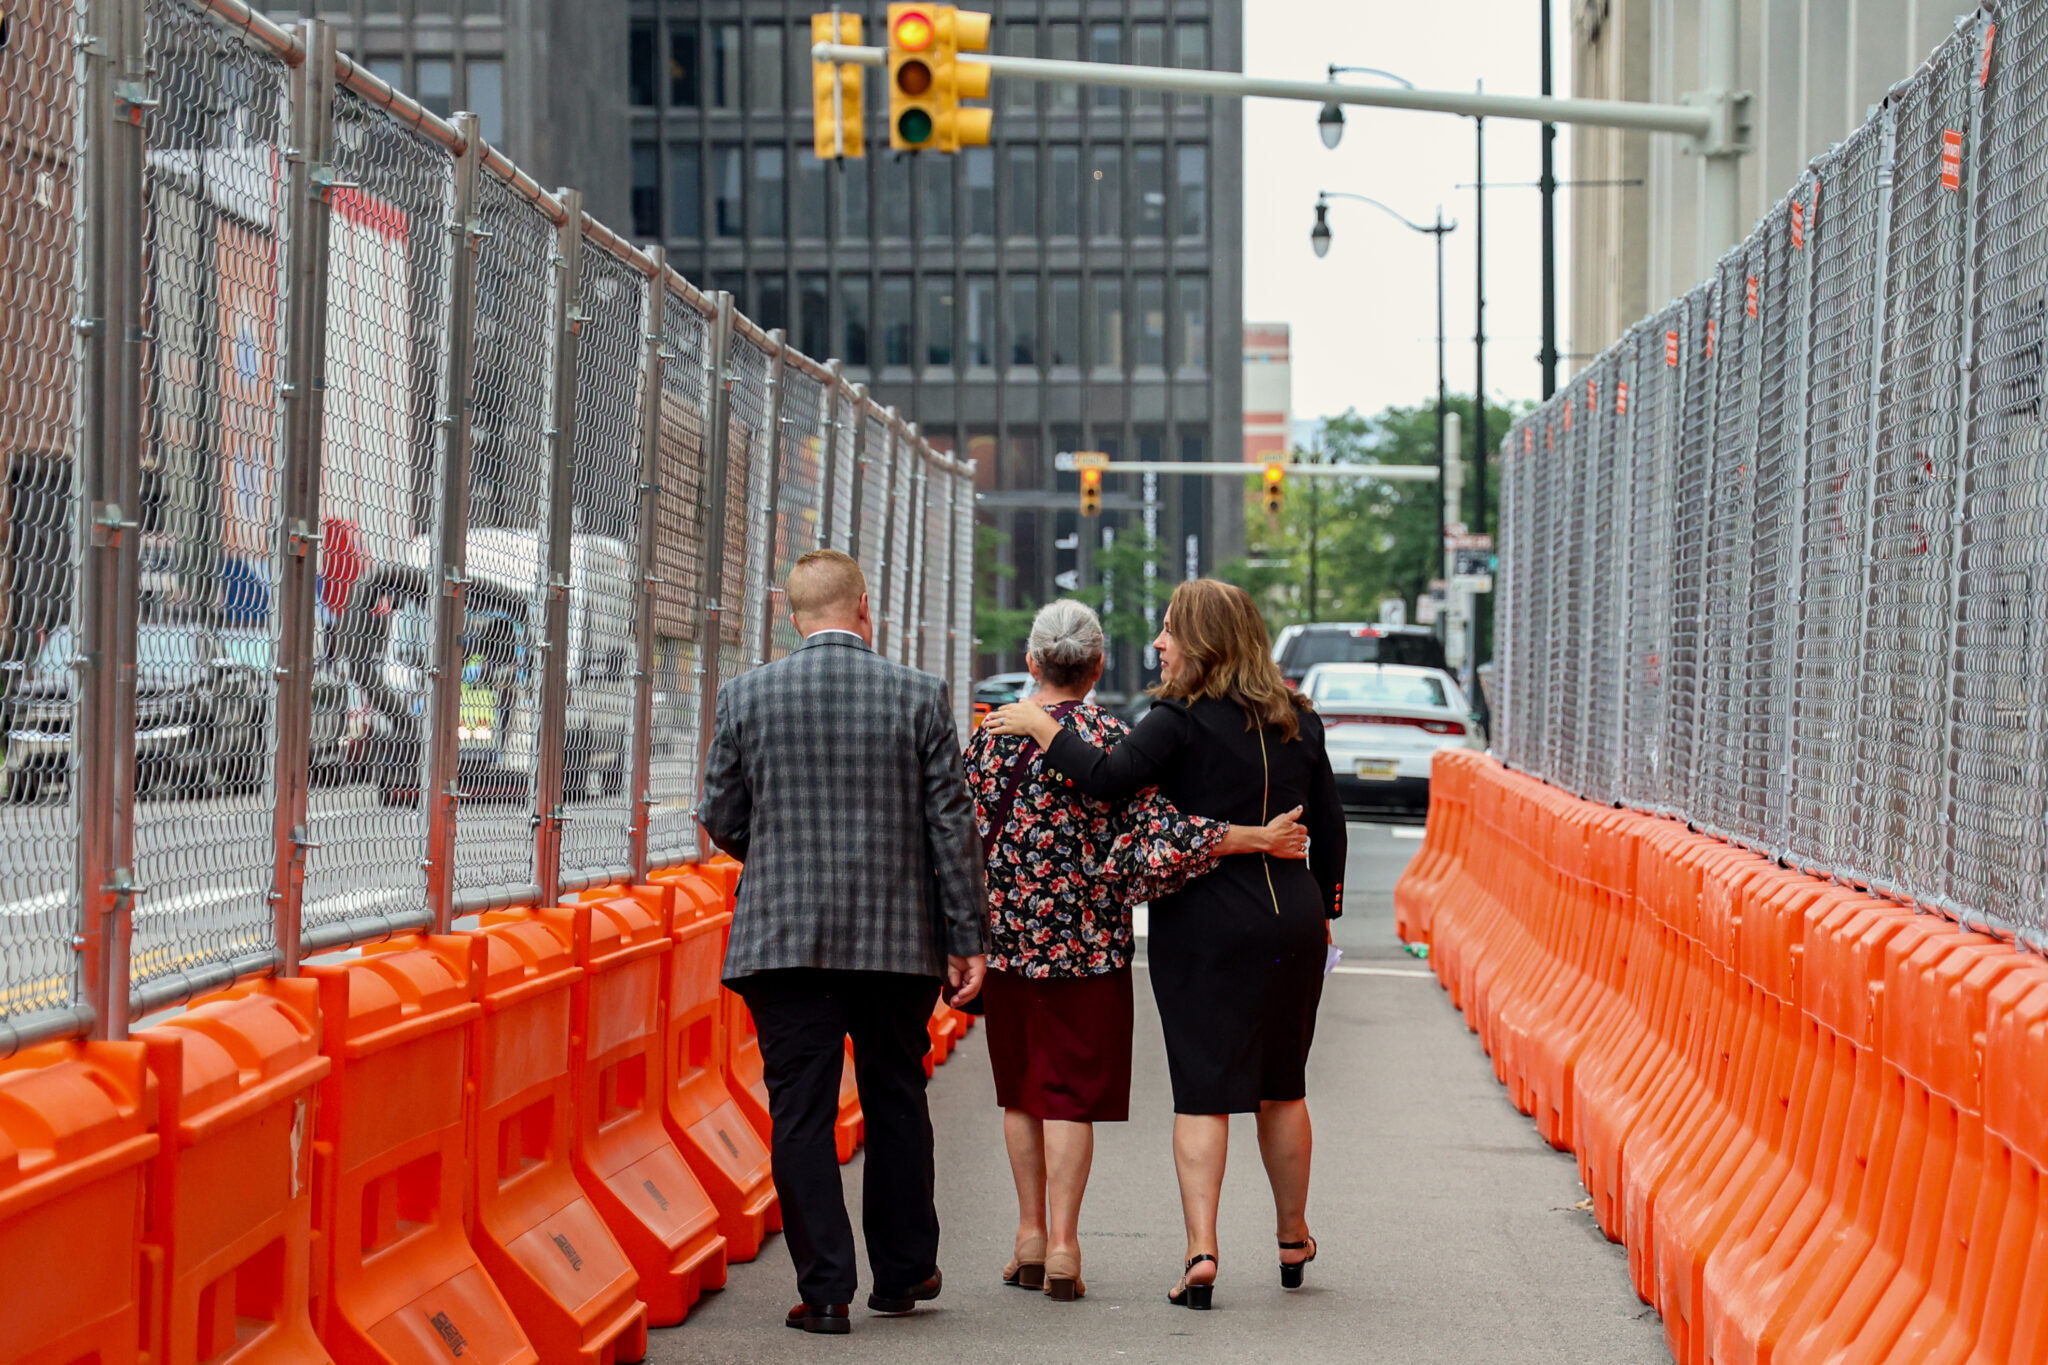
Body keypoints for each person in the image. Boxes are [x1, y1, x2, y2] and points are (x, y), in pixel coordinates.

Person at [984, 579, 1347, 1311]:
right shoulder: (1299, 721)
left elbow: (1107, 777)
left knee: (1204, 1089)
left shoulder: (1177, 720)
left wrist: (1042, 725)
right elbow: (1331, 827)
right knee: (1284, 1082)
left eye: (1169, 630)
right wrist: (1325, 907)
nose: (1158, 643)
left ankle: (1202, 1250)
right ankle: (1291, 1235)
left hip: (1206, 916)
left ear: (1203, 640)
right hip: (1294, 916)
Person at [699, 549, 987, 1336]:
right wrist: (968, 936)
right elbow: (951, 829)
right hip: (897, 940)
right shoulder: (919, 696)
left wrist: (783, 852)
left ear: (792, 615)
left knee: (800, 1110)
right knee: (896, 1093)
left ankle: (824, 1290)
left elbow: (720, 813)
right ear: (865, 608)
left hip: (783, 938)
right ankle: (902, 1273)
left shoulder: (746, 695)